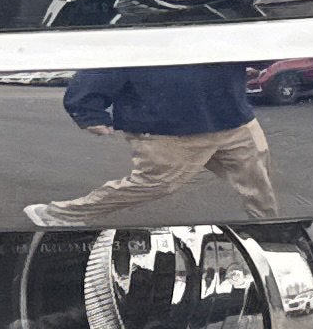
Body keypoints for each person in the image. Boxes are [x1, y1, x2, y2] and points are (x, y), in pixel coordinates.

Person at [23, 58, 281, 230]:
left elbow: (259, 51)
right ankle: (60, 215)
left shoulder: (221, 15)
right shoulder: (137, 26)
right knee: (154, 184)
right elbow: (106, 64)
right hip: (168, 128)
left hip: (233, 118)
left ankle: (271, 230)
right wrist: (87, 110)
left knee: (257, 178)